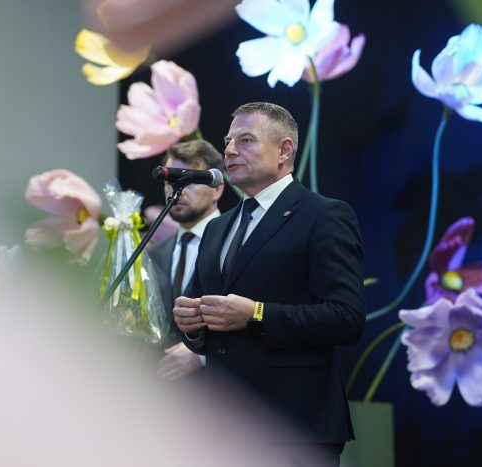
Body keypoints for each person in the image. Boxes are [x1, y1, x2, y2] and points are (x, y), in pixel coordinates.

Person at [173, 102, 366, 465]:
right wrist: (192, 325)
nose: (230, 150)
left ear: (284, 150)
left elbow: (346, 318)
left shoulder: (323, 215)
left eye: (245, 140)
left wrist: (257, 314)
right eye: (228, 141)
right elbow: (208, 325)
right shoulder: (217, 227)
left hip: (292, 426)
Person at [147, 139, 224, 381]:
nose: (178, 190)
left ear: (217, 189)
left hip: (220, 390)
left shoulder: (237, 241)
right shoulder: (154, 253)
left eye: (189, 181)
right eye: (171, 181)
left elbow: (255, 317)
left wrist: (202, 355)